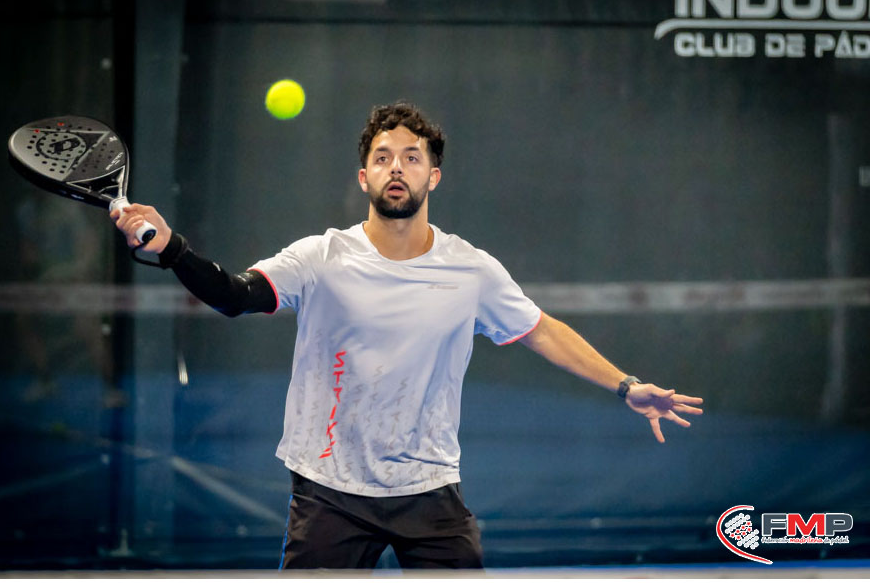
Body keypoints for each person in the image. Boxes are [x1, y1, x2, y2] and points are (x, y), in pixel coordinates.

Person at [111, 102, 704, 570]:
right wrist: (173, 249)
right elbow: (234, 296)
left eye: (412, 157)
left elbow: (540, 330)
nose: (397, 167)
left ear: (433, 176)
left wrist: (626, 386)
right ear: (364, 175)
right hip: (329, 491)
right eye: (383, 157)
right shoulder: (320, 257)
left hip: (429, 488)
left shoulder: (471, 269)